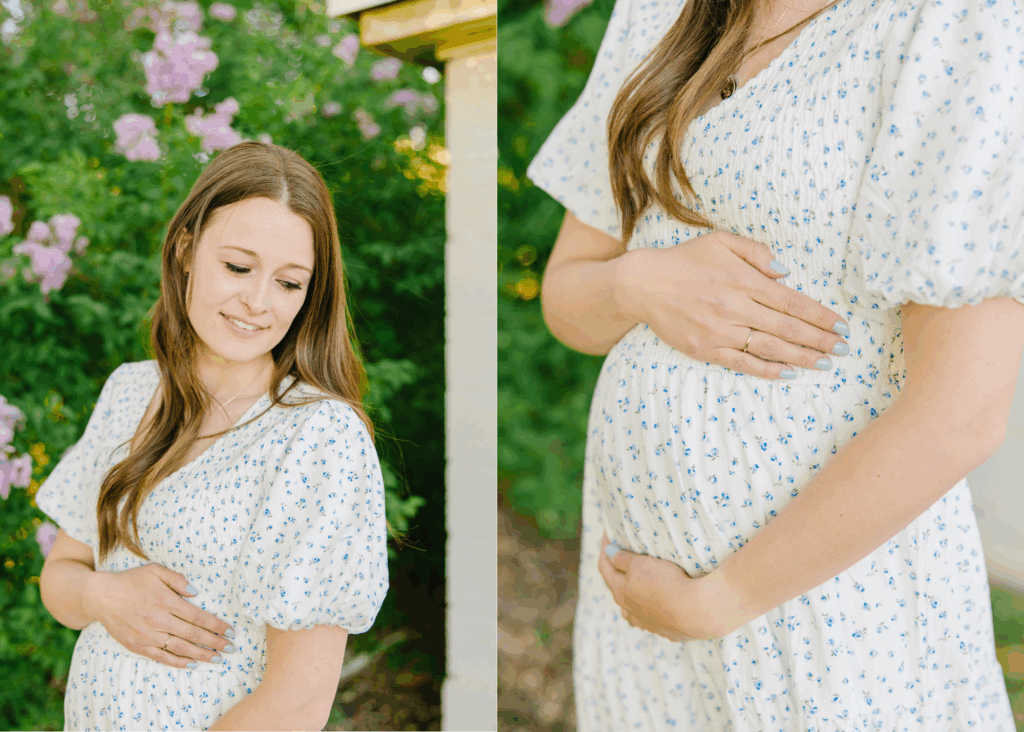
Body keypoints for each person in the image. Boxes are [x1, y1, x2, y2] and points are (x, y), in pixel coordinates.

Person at [527, 0, 1024, 727]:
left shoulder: (954, 19)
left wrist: (720, 598)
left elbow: (960, 415)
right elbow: (567, 301)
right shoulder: (660, 10)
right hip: (643, 603)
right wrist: (639, 281)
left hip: (821, 605)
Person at [35, 141, 389, 731]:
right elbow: (60, 576)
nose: (258, 302)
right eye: (238, 267)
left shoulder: (318, 434)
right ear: (184, 252)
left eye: (289, 283)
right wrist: (106, 597)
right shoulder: (130, 392)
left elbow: (298, 702)